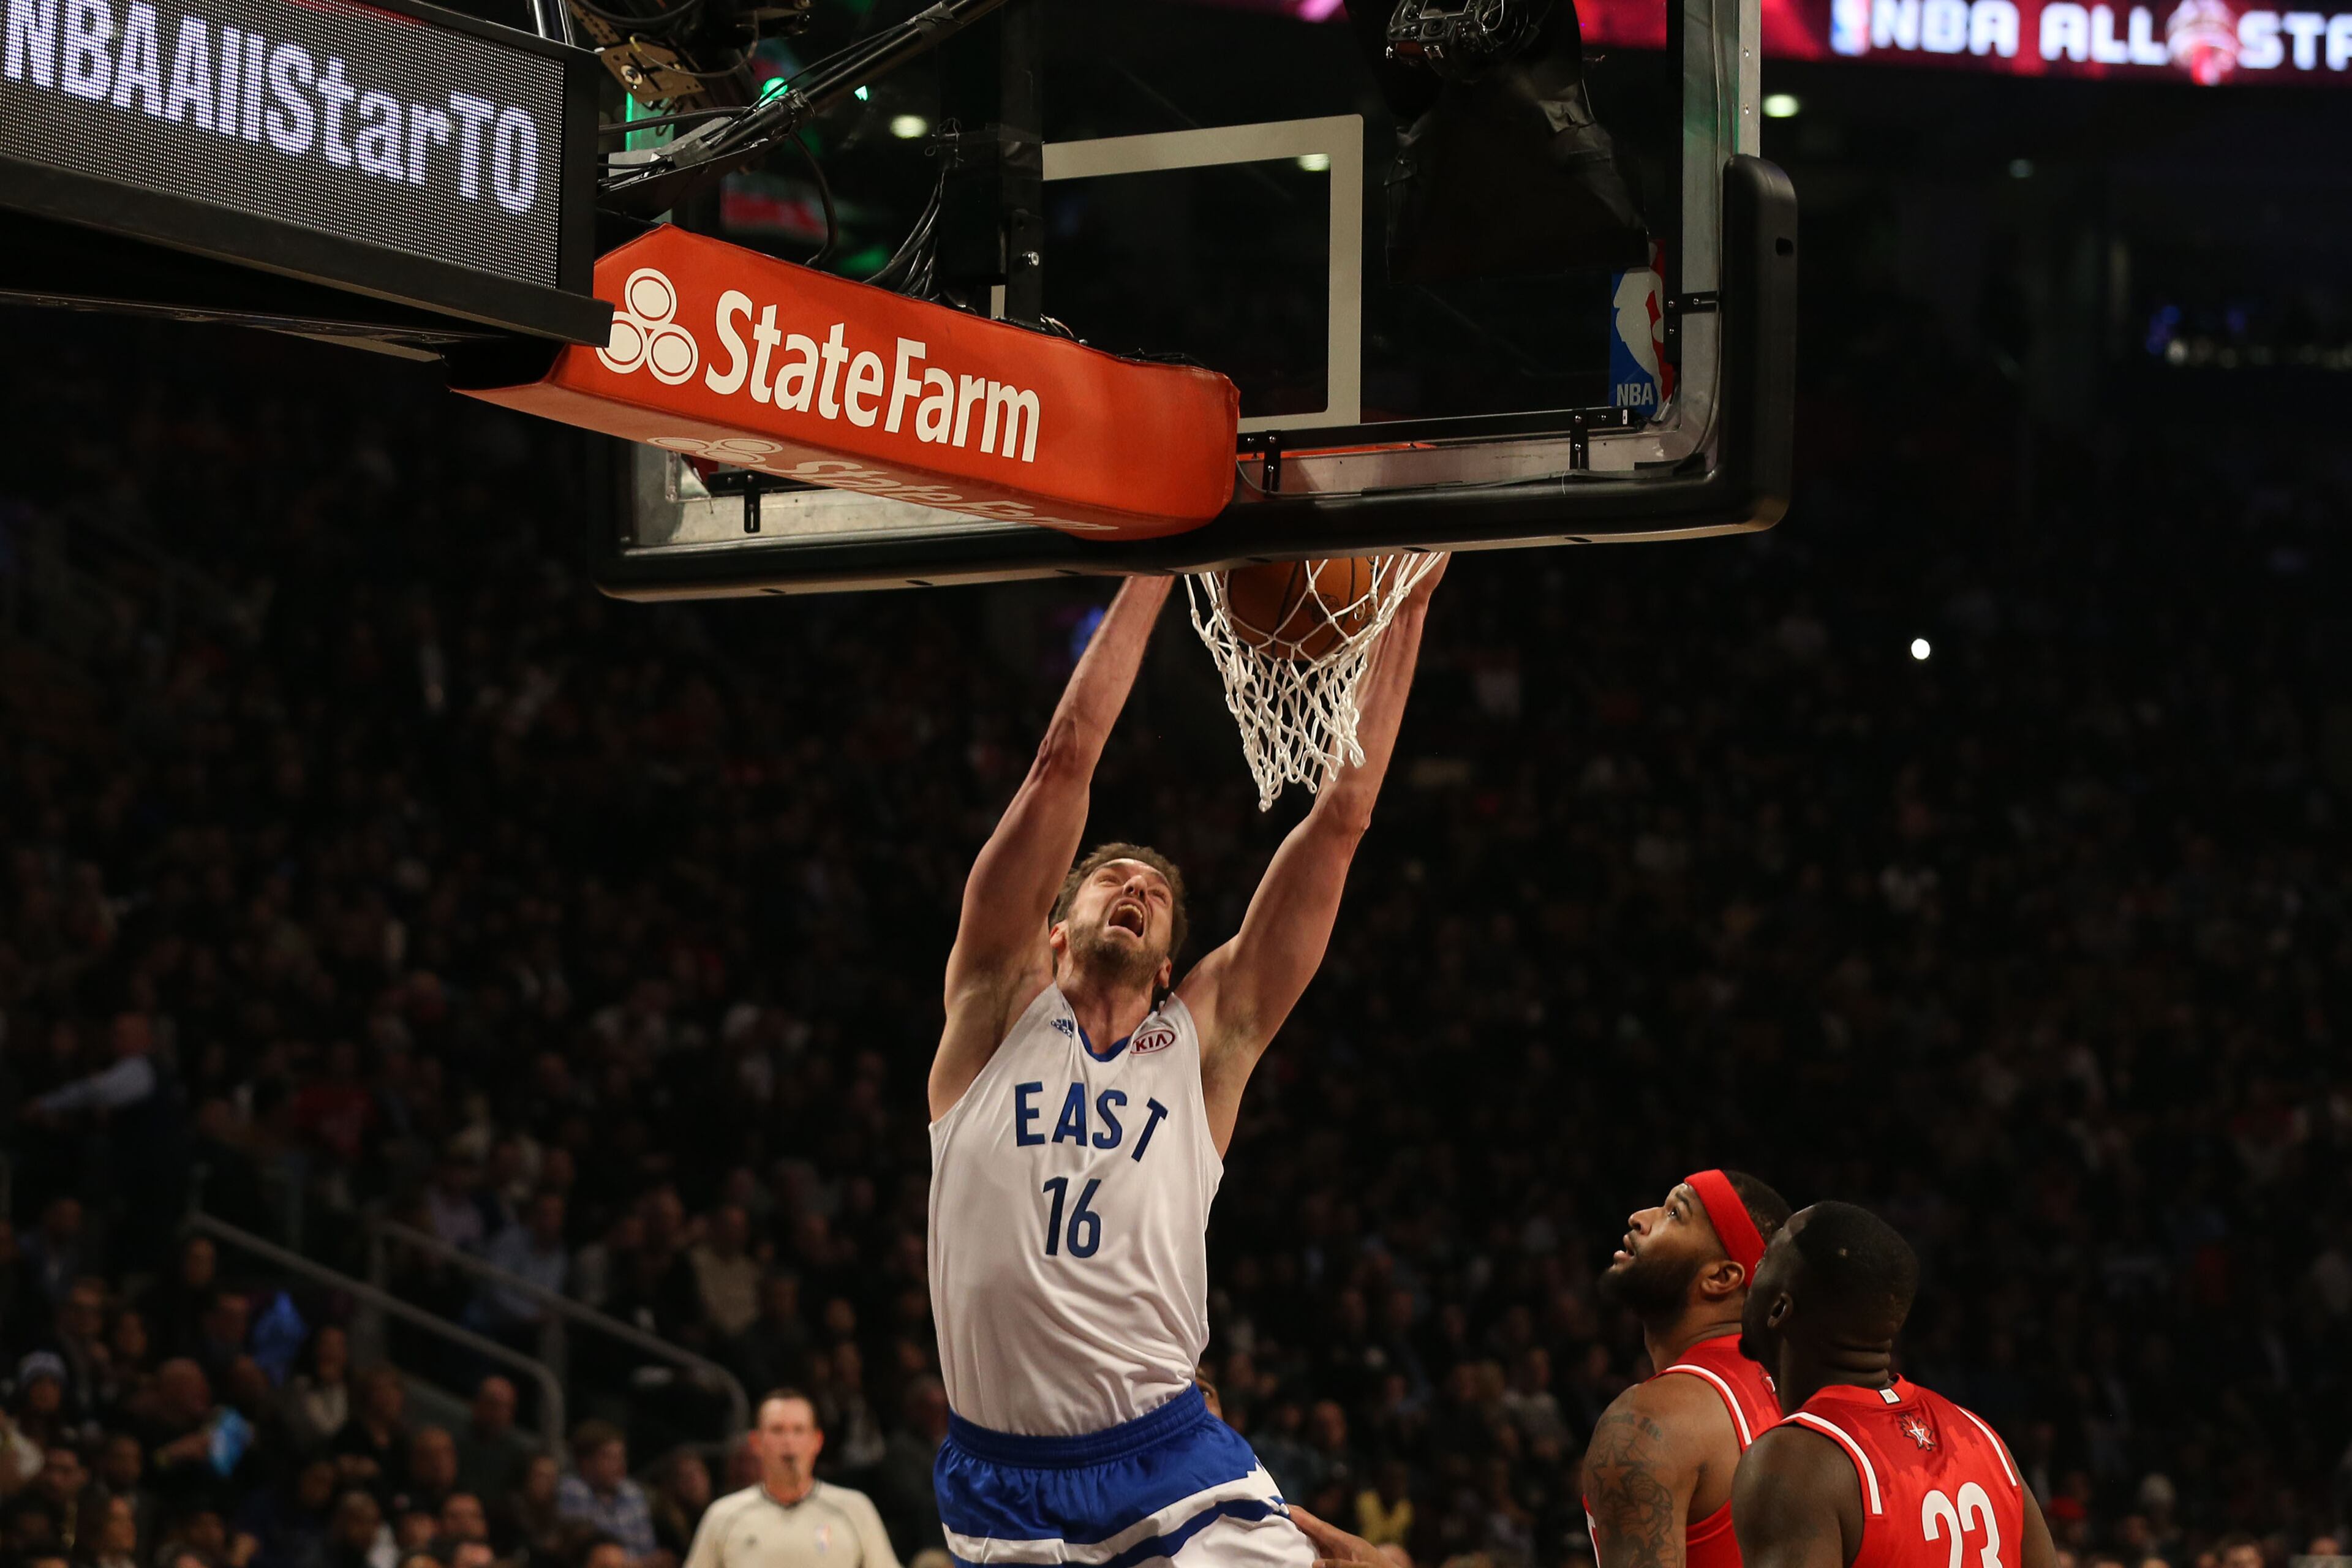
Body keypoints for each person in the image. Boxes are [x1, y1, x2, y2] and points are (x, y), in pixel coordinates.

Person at [925, 568, 1444, 1568]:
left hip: (1165, 1454)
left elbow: (1341, 820)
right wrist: (1155, 565)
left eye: (1155, 889)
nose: (1134, 884)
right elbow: (1062, 763)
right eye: (1110, 878)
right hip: (997, 1479)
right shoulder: (994, 1008)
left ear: (1171, 966)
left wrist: (1408, 604)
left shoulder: (1202, 1045)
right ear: (1053, 932)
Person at [1730, 1204, 2059, 1568]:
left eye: (1766, 1257)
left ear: (1779, 1310)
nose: (1753, 1267)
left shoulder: (1793, 1464)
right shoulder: (1981, 1438)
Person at [1586, 1172, 1794, 1568]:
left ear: (1721, 1277)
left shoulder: (1650, 1419)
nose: (1639, 1218)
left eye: (1674, 1214)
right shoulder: (1802, 1395)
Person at [681, 1392, 897, 1568]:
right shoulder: (723, 1515)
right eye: (777, 1430)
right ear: (756, 1442)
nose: (788, 1442)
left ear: (817, 1441)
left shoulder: (854, 1509)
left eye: (799, 1430)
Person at [554, 1423, 658, 1568]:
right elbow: (586, 1551)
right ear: (585, 1462)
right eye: (609, 1457)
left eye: (621, 1457)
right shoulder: (573, 1490)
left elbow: (648, 1549)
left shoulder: (632, 1494)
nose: (619, 1465)